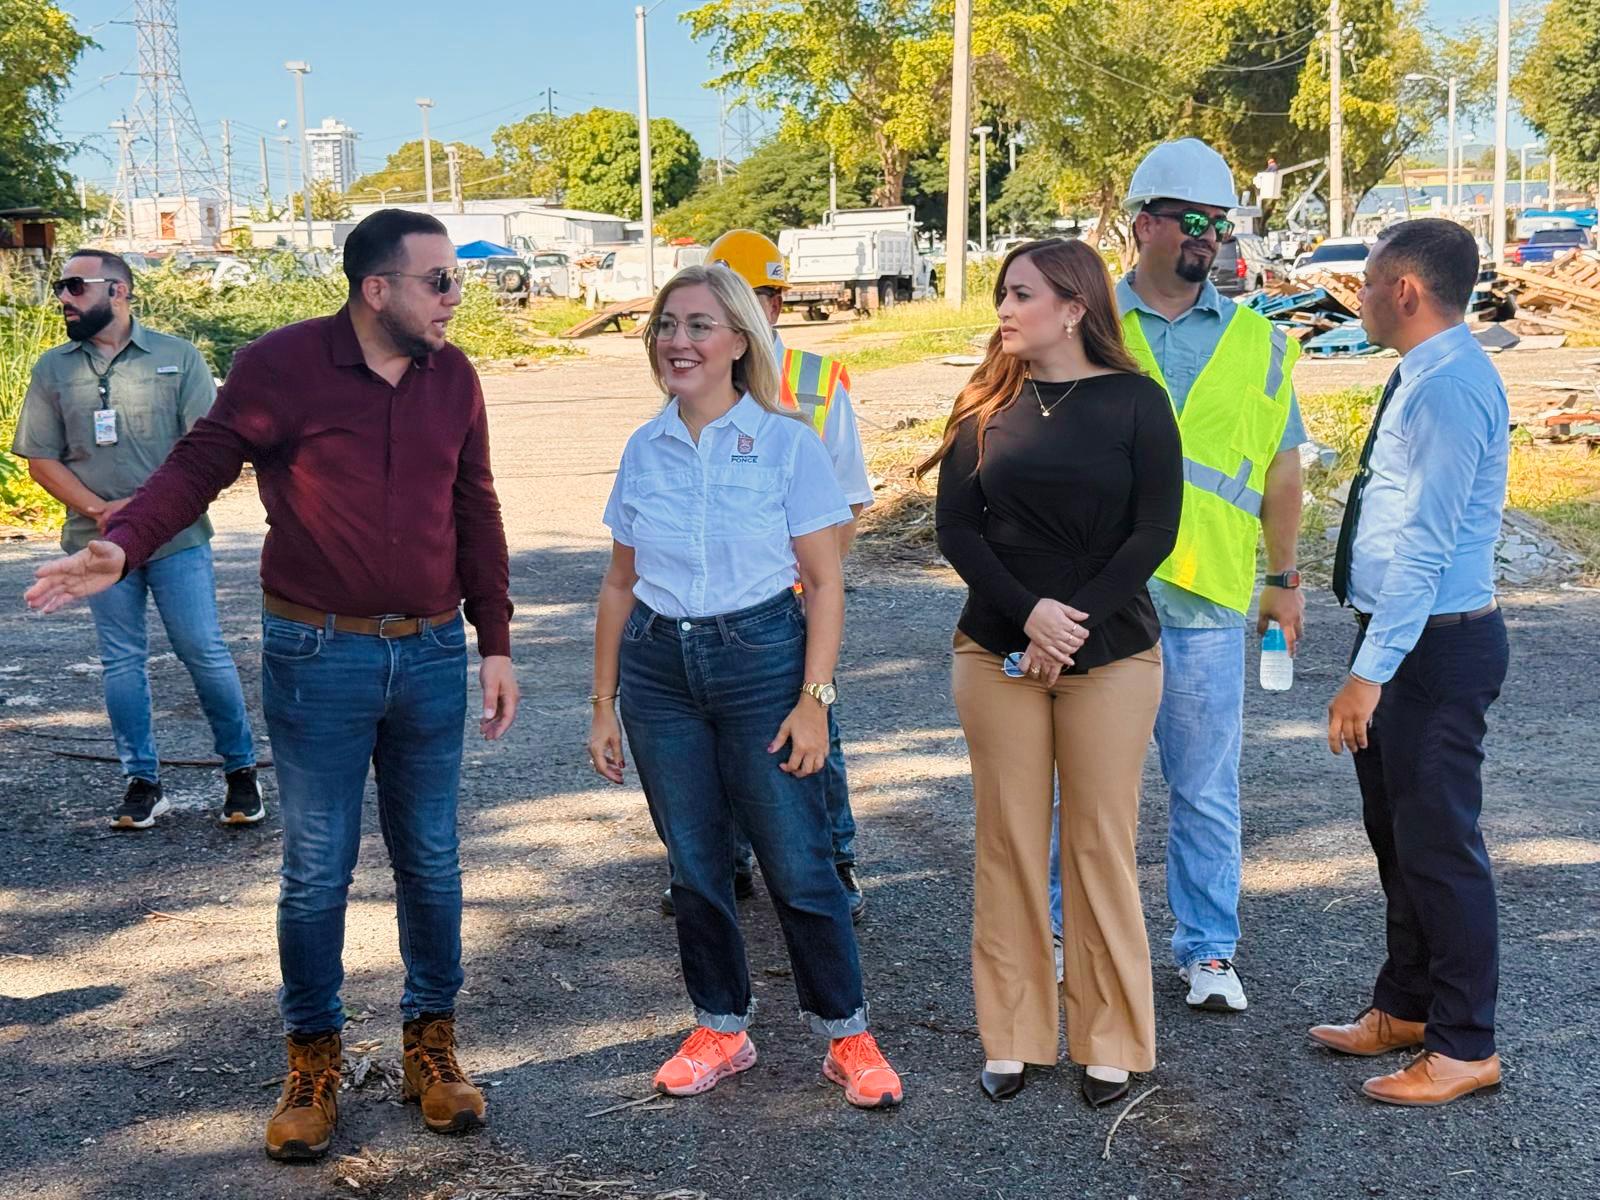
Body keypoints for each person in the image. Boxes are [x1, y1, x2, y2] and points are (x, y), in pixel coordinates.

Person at [26, 210, 521, 1159]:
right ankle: (313, 1061)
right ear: (377, 289)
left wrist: (492, 639)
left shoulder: (452, 377)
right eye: (440, 282)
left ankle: (433, 1047)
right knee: (317, 873)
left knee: (432, 861)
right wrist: (120, 547)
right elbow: (199, 465)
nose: (456, 298)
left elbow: (475, 503)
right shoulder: (280, 365)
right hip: (317, 656)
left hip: (427, 658)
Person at [586, 263, 903, 1108]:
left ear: (738, 342)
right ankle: (721, 1029)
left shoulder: (787, 441)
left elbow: (826, 583)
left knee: (799, 860)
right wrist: (602, 704)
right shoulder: (642, 447)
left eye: (698, 325)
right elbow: (619, 584)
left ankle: (848, 1037)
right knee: (694, 864)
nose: (677, 341)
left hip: (762, 655)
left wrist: (815, 700)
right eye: (666, 325)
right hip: (659, 668)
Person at [922, 238, 1182, 1107]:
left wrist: (1065, 625)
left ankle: (1109, 1037)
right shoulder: (982, 405)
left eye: (1020, 293)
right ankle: (1015, 1033)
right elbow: (957, 530)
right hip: (996, 651)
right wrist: (1029, 613)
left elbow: (1154, 531)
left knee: (1098, 847)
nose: (1002, 307)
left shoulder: (1138, 402)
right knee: (1006, 845)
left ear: (1073, 307)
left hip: (1110, 654)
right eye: (1002, 293)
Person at [1314, 218, 1510, 1107]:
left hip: (1435, 643)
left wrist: (1370, 672)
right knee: (1397, 835)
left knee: (1440, 847)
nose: (1355, 297)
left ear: (1405, 291)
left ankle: (1466, 1044)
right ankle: (1408, 1007)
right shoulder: (1422, 375)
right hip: (1403, 638)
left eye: (1365, 283)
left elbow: (1425, 549)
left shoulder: (1451, 388)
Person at [1116, 138, 1306, 1014]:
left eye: (1220, 224)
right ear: (1144, 224)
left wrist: (1286, 576)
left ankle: (1209, 952)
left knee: (1203, 787)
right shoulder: (1088, 324)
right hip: (1102, 599)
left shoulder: (1259, 342)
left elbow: (1281, 467)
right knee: (1082, 789)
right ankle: (1065, 939)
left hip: (1207, 599)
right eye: (1193, 222)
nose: (1209, 239)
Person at [11, 249, 259, 829]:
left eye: (75, 286)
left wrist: (146, 513)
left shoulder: (179, 356)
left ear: (117, 291)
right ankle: (142, 782)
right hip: (94, 543)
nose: (64, 298)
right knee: (122, 661)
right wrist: (102, 510)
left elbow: (209, 450)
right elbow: (40, 459)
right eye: (61, 288)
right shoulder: (52, 368)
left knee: (204, 652)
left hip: (176, 537)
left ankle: (241, 774)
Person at [682, 228, 873, 922]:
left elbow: (850, 501)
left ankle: (834, 860)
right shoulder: (689, 384)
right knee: (712, 737)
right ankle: (720, 865)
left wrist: (807, 587)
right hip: (708, 605)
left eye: (763, 296)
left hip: (788, 604)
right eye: (736, 301)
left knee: (814, 729)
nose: (754, 312)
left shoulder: (820, 382)